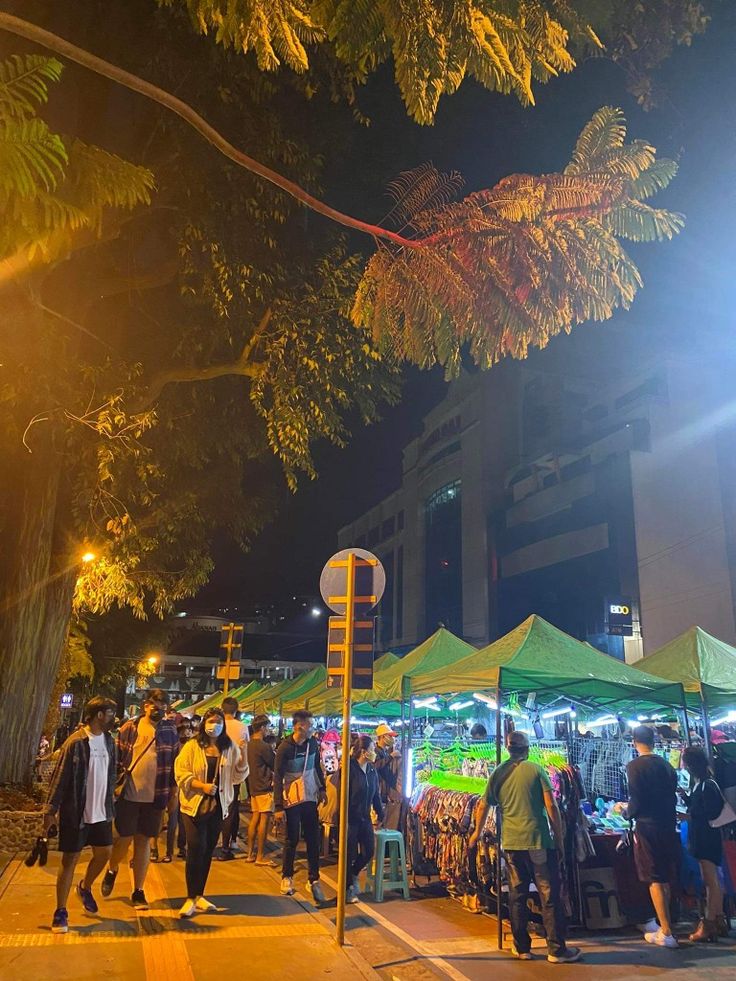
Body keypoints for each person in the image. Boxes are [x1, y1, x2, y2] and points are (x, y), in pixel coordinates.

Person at [470, 731, 581, 963]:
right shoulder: (536, 769)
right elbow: (551, 805)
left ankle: (522, 948)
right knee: (548, 895)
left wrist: (476, 834)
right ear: (527, 749)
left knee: (517, 894)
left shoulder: (498, 773)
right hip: (538, 841)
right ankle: (556, 950)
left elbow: (483, 806)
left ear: (509, 749)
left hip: (511, 844)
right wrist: (559, 839)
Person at [44, 696, 117, 934]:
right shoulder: (75, 743)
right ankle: (60, 911)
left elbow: (111, 774)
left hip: (101, 812)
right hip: (76, 813)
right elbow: (60, 778)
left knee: (104, 853)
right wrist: (50, 811)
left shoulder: (109, 741)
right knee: (69, 861)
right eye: (110, 713)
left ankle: (85, 887)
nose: (113, 718)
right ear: (99, 715)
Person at [101, 689, 179, 910]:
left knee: (144, 841)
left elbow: (174, 763)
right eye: (155, 703)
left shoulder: (170, 731)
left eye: (163, 704)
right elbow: (116, 760)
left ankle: (138, 891)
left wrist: (173, 793)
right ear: (146, 705)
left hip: (156, 796)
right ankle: (112, 869)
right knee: (124, 839)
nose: (159, 708)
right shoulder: (130, 728)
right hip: (129, 795)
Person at [175, 707, 247, 917]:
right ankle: (190, 897)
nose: (214, 725)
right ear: (204, 724)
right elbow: (180, 772)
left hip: (219, 806)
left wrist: (243, 759)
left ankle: (199, 895)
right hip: (193, 804)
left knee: (208, 850)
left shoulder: (230, 747)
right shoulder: (192, 747)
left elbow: (237, 777)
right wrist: (200, 786)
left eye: (218, 721)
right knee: (196, 847)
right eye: (210, 721)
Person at [626, 725, 680, 948]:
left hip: (647, 826)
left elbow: (636, 799)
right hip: (667, 823)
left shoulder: (634, 767)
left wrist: (626, 811)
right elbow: (673, 795)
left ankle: (666, 931)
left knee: (654, 877)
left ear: (634, 742)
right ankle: (663, 923)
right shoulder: (667, 765)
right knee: (664, 875)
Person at [273, 708, 327, 902]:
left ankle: (314, 878)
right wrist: (278, 806)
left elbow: (317, 767)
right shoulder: (284, 748)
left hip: (310, 796)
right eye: (310, 725)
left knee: (313, 838)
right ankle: (287, 876)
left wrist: (322, 790)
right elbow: (277, 776)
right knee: (292, 838)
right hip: (291, 799)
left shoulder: (313, 744)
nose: (313, 728)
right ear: (299, 727)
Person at [681, 745, 727, 941]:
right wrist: (686, 798)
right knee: (711, 880)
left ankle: (709, 923)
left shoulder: (708, 784)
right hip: (704, 837)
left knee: (711, 881)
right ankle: (717, 920)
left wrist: (688, 815)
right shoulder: (701, 783)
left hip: (707, 837)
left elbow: (709, 811)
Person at [339, 734, 384, 903]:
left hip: (365, 817)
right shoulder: (349, 769)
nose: (374, 753)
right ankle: (348, 888)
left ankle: (353, 873)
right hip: (350, 819)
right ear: (364, 752)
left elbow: (376, 794)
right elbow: (343, 795)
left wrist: (380, 812)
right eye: (372, 750)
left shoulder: (372, 771)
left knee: (368, 851)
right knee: (348, 853)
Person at [218, 696, 249, 860]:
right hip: (235, 774)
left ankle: (215, 845)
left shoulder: (218, 725)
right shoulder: (242, 727)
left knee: (216, 807)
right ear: (236, 711)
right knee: (231, 809)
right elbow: (244, 751)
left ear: (223, 710)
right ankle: (227, 846)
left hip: (217, 771)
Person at [246, 714, 276, 864]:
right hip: (264, 786)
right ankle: (260, 856)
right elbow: (274, 764)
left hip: (253, 785)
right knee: (264, 819)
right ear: (262, 728)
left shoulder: (249, 744)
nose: (269, 730)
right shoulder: (264, 746)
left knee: (254, 818)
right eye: (268, 727)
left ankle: (250, 854)